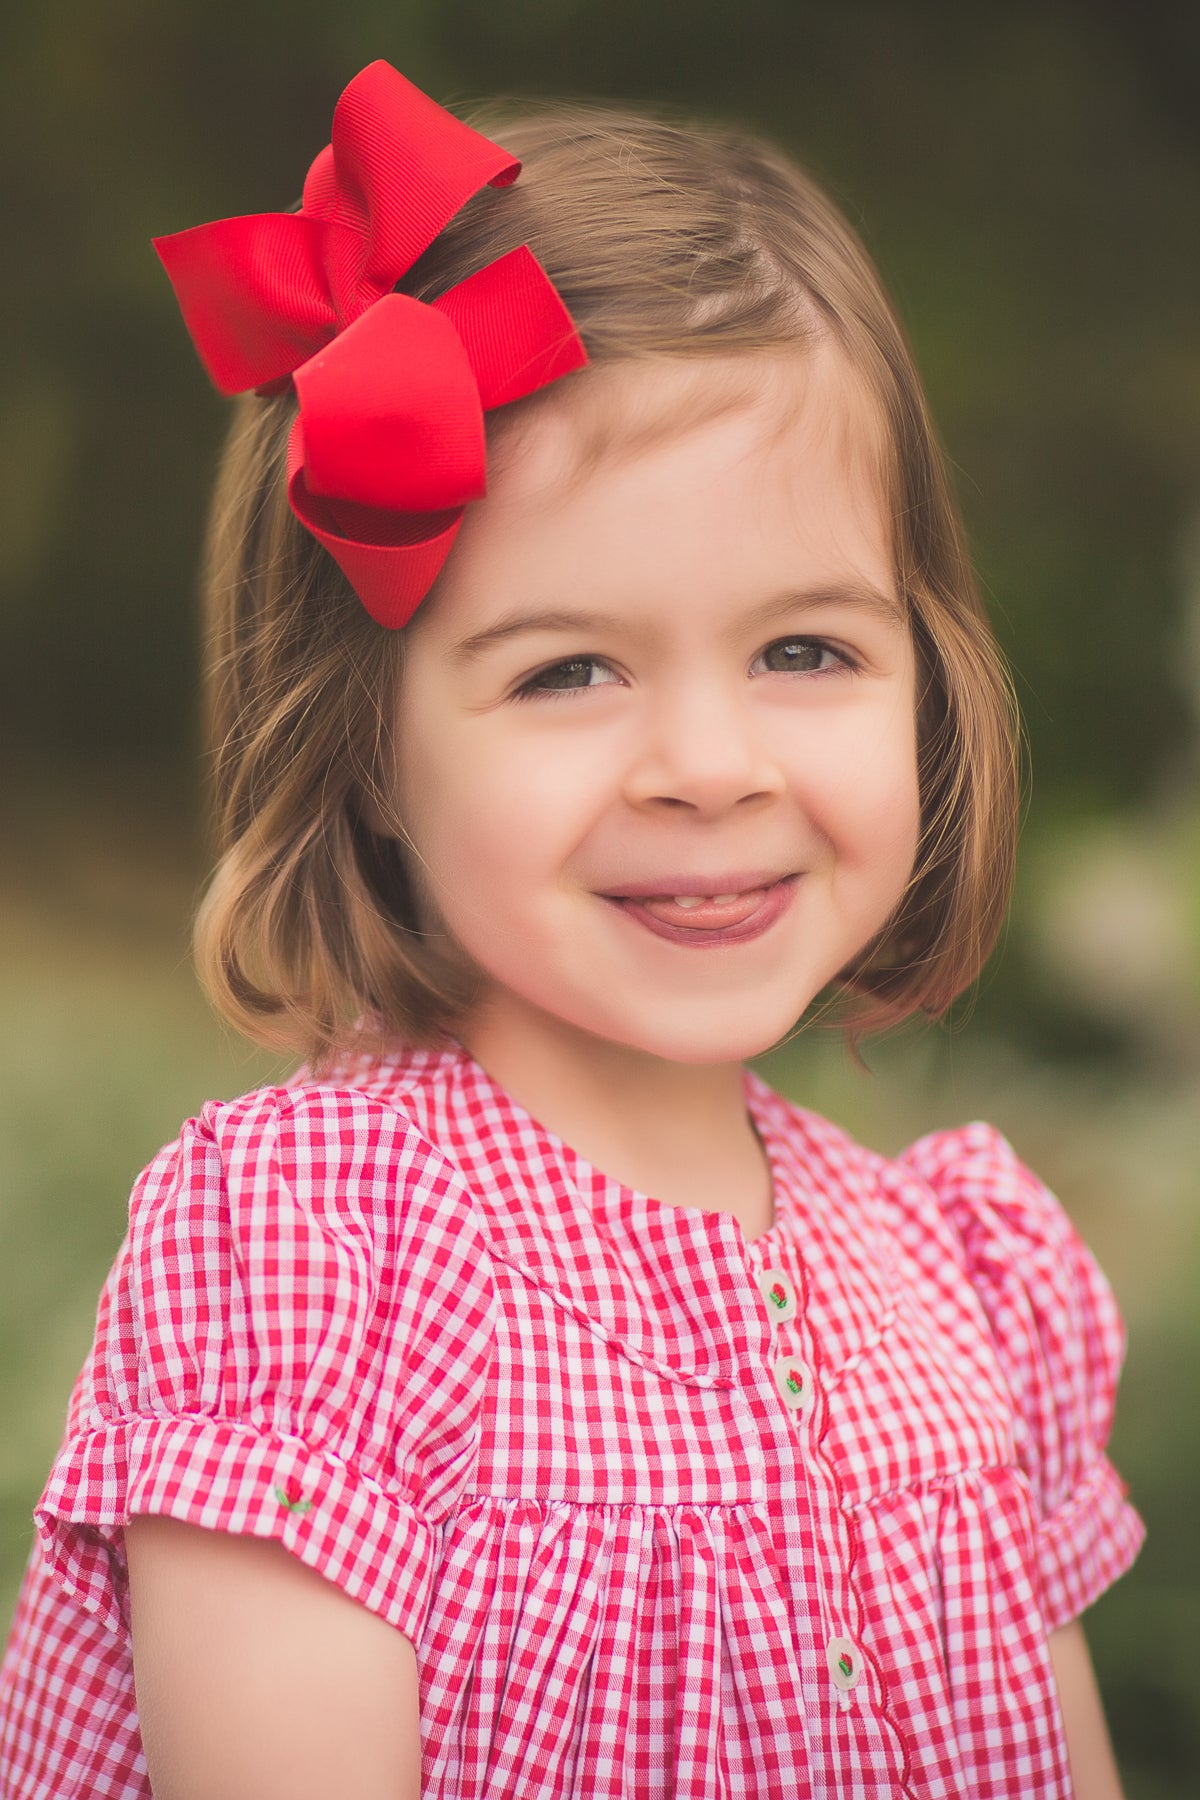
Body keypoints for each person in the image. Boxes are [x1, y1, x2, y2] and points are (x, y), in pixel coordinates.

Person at [0, 58, 1141, 1800]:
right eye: (570, 670)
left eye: (806, 650)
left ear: (926, 676)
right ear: (364, 745)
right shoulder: (320, 1263)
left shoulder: (969, 1284)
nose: (706, 766)